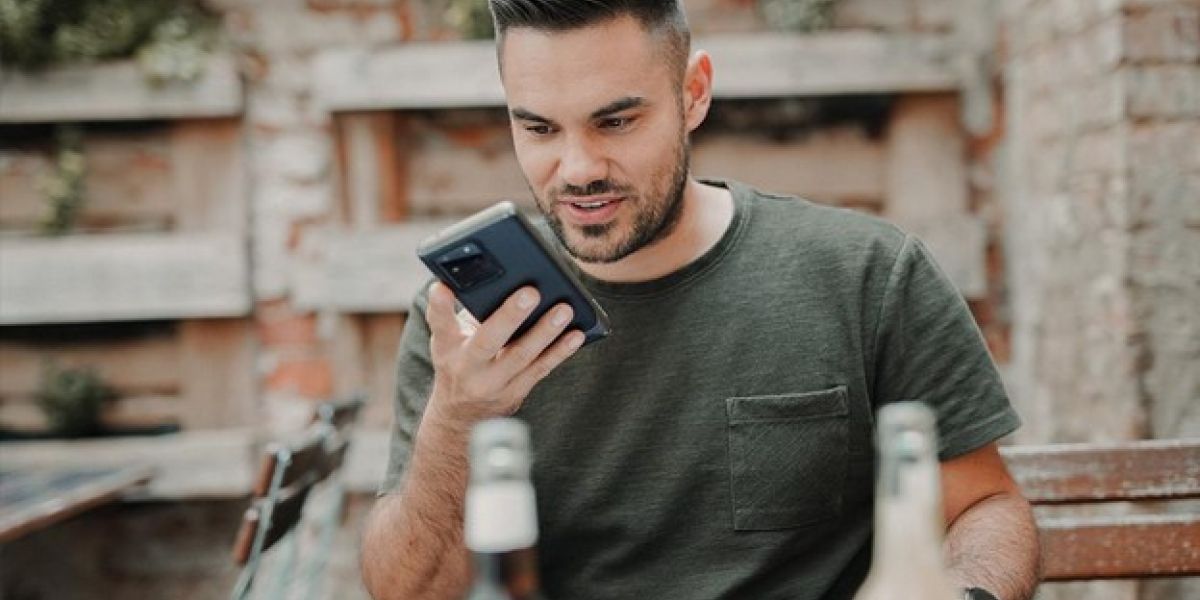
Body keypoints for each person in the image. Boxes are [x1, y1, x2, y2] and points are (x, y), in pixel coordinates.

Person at [360, 1, 1041, 599]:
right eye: (539, 129)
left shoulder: (866, 274)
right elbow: (408, 593)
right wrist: (456, 423)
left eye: (616, 122)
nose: (578, 168)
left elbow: (985, 507)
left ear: (694, 93)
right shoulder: (462, 325)